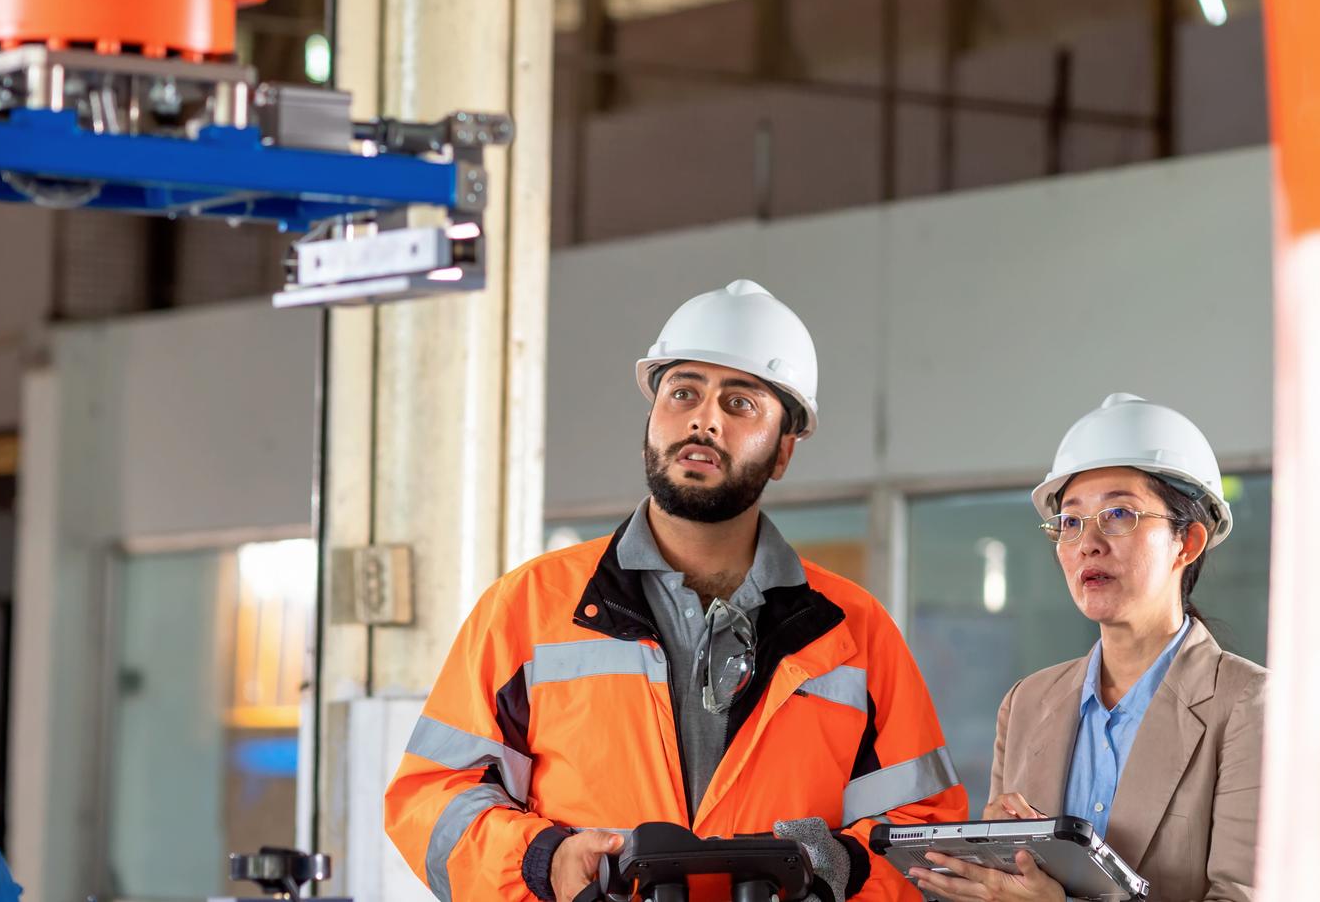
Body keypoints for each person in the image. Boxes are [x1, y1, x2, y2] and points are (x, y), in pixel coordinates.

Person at [387, 279, 967, 902]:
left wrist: (845, 870)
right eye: (683, 392)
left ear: (783, 452)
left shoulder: (853, 631)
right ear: (652, 417)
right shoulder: (526, 607)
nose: (703, 418)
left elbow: (926, 834)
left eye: (740, 403)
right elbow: (430, 799)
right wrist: (540, 861)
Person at [905, 394, 1264, 902]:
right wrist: (992, 868)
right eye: (1071, 522)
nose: (1088, 543)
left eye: (1119, 514)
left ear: (1187, 543)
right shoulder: (1028, 702)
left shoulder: (1250, 705)